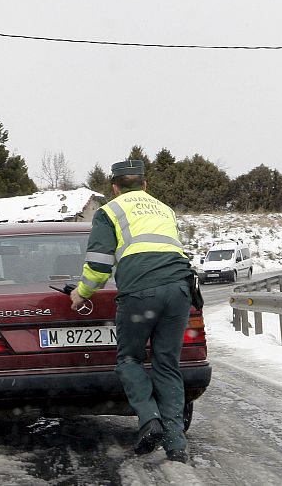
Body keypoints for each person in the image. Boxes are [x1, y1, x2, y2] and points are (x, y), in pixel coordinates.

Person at [70, 159, 194, 463]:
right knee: (167, 363)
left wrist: (80, 293)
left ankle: (150, 420)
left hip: (140, 292)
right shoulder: (165, 210)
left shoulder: (109, 211)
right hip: (179, 288)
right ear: (145, 185)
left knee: (129, 359)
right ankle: (176, 444)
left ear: (114, 187)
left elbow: (99, 266)